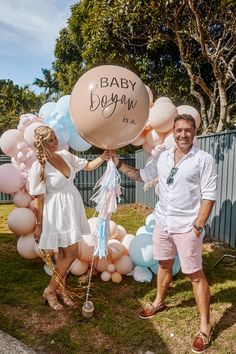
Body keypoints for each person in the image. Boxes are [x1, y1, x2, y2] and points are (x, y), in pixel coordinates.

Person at [113, 114, 217, 353]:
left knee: (195, 274)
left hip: (187, 226)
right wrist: (119, 164)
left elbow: (209, 196)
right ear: (172, 132)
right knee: (164, 264)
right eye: (179, 130)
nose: (183, 134)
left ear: (194, 132)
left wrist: (198, 226)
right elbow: (142, 176)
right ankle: (159, 302)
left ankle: (205, 327)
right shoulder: (161, 156)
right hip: (162, 222)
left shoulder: (204, 159)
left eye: (188, 130)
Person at [28, 125, 111, 311]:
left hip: (71, 206)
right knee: (71, 253)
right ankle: (51, 290)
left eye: (55, 137)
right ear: (42, 144)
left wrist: (103, 157)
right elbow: (39, 199)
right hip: (56, 212)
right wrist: (39, 225)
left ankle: (61, 289)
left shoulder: (65, 155)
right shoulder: (39, 167)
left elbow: (87, 166)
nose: (56, 141)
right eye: (51, 140)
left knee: (66, 255)